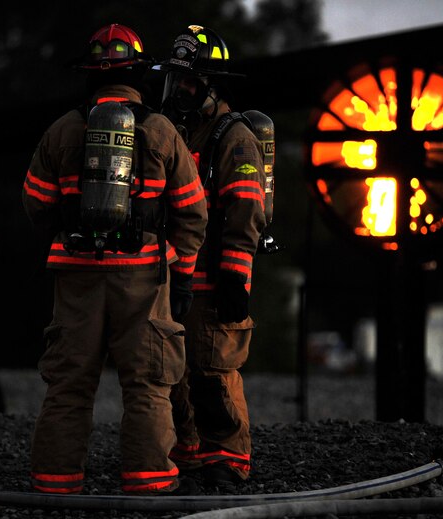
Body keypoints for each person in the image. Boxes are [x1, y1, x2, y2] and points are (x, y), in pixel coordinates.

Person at [22, 23, 208, 495]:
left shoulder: (63, 129)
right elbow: (193, 211)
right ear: (139, 74)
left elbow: (35, 202)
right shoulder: (162, 130)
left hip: (77, 275)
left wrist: (67, 232)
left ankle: (54, 482)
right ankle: (148, 482)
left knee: (69, 383)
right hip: (143, 277)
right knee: (147, 383)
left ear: (90, 76)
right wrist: (182, 276)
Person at [153, 24, 267, 492]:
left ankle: (228, 459)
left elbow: (246, 211)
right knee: (175, 370)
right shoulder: (179, 133)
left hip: (216, 275)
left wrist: (234, 278)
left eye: (190, 82)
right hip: (176, 274)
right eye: (176, 80)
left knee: (214, 370)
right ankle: (192, 452)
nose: (180, 90)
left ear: (212, 86)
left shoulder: (234, 137)